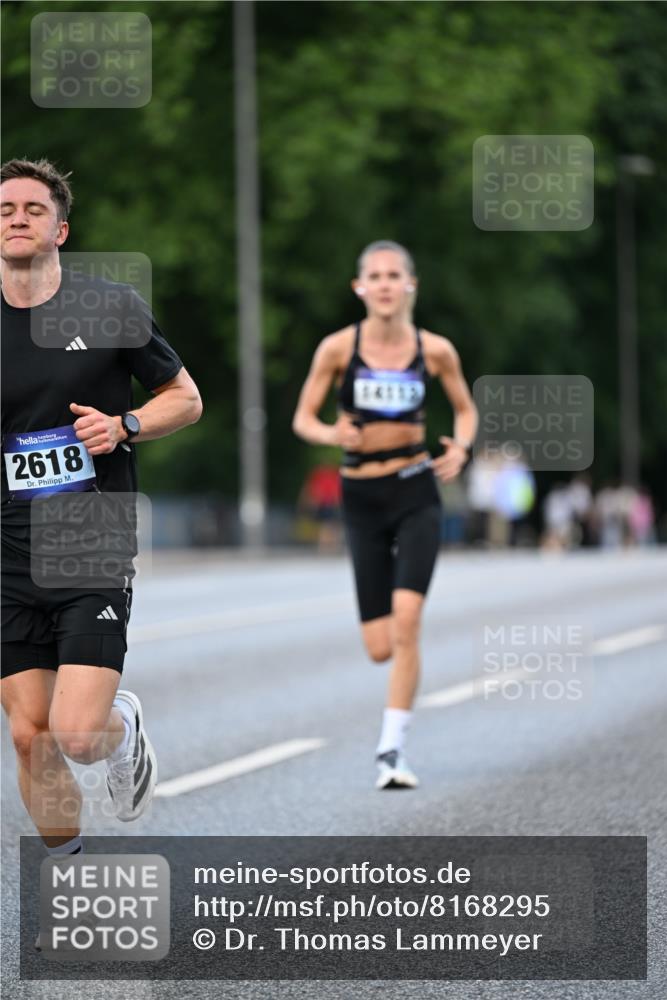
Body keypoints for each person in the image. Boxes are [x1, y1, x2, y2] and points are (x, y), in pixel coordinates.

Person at [1, 158, 202, 864]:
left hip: (90, 541)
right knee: (30, 735)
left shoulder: (109, 307)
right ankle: (73, 879)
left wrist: (125, 426)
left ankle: (120, 726)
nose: (17, 218)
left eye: (33, 209)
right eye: (5, 210)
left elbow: (185, 399)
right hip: (6, 553)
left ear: (60, 229)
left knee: (77, 736)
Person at [293, 240, 477, 789]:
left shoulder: (434, 349)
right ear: (360, 287)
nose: (385, 284)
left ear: (410, 284)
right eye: (374, 276)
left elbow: (465, 409)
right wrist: (333, 433)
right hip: (361, 497)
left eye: (394, 275)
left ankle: (391, 750)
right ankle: (393, 734)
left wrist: (461, 448)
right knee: (379, 647)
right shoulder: (337, 348)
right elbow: (304, 418)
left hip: (415, 488)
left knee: (408, 620)